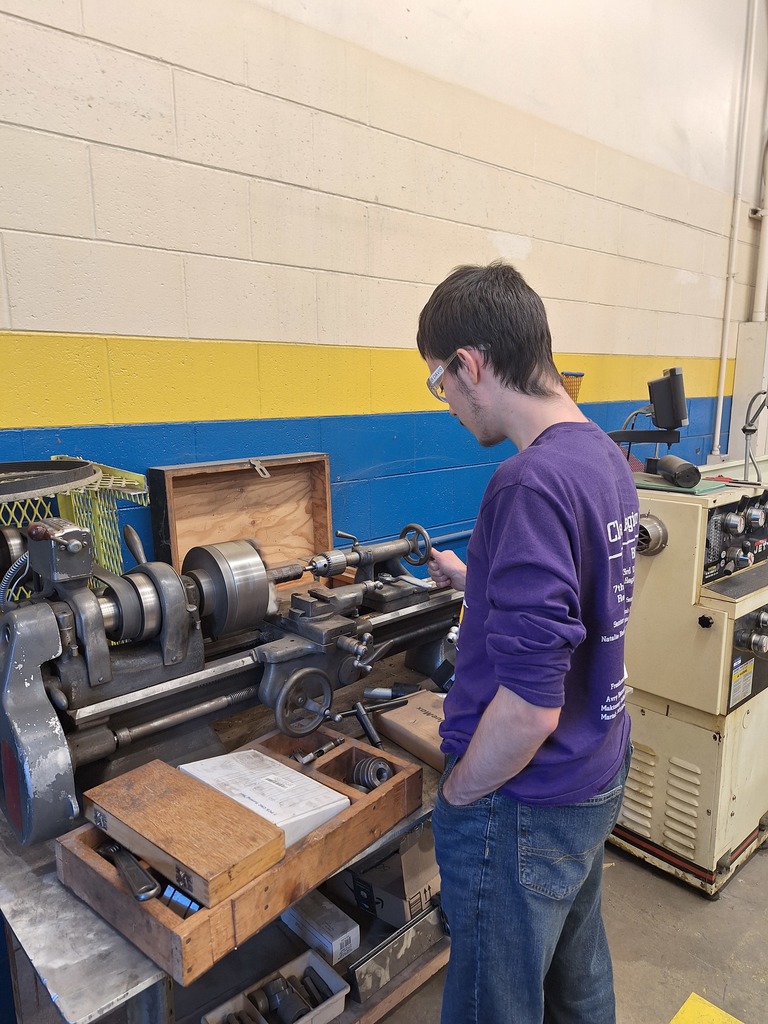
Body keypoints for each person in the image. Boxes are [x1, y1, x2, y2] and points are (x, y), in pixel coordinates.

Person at [418, 261, 639, 1024]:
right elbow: (574, 596)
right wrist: (473, 581)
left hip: (524, 801)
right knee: (578, 984)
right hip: (595, 763)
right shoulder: (600, 456)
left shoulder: (525, 482)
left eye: (439, 384)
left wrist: (459, 794)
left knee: (494, 1005)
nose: (446, 404)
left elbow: (529, 708)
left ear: (469, 365)